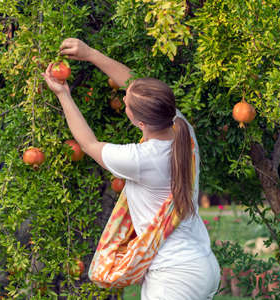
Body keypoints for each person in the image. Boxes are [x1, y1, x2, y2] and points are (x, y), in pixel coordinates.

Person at [41, 38, 220, 300]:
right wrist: (90, 53)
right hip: (200, 265)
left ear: (139, 122)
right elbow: (134, 85)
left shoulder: (142, 159)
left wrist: (63, 95)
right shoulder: (183, 132)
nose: (123, 97)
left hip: (173, 278)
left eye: (126, 103)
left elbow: (88, 143)